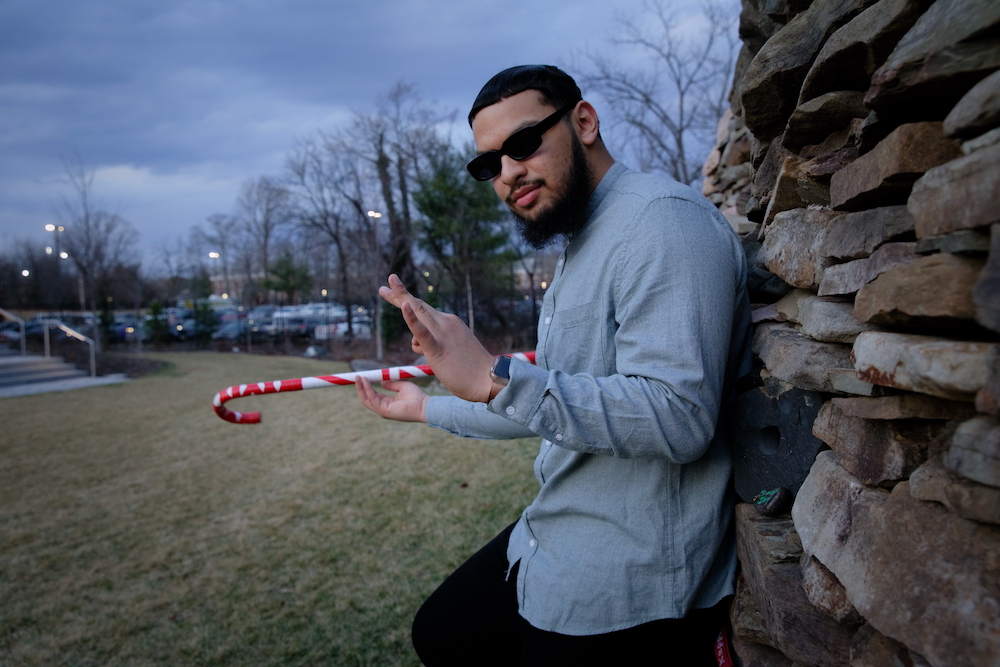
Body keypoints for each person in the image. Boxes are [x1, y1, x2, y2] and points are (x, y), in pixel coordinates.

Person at [355, 65, 751, 666]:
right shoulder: (582, 241)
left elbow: (679, 417)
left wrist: (495, 376)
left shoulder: (663, 223)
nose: (508, 172)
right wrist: (424, 405)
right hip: (553, 533)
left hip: (624, 578)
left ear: (584, 122)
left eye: (523, 143)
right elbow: (551, 401)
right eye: (489, 164)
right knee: (444, 630)